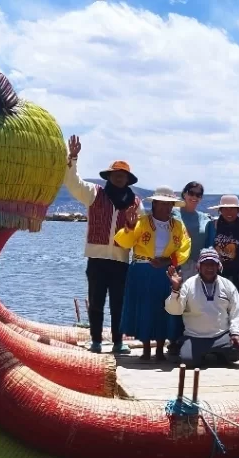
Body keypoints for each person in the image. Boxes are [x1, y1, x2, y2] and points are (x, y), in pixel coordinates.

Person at [62, 134, 142, 354]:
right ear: (109, 176)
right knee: (96, 303)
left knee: (119, 304)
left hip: (120, 261)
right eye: (116, 174)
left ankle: (118, 342)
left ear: (128, 179)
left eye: (123, 175)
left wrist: (134, 227)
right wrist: (73, 158)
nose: (119, 178)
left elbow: (138, 234)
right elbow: (71, 182)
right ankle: (96, 341)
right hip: (97, 259)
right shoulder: (94, 193)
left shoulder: (136, 203)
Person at [114, 186, 192, 361]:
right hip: (142, 269)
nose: (165, 208)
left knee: (163, 308)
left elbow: (185, 248)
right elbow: (123, 242)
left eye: (169, 204)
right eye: (162, 204)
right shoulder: (141, 222)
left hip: (166, 271)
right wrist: (129, 226)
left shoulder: (178, 226)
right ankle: (146, 348)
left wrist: (167, 261)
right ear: (154, 204)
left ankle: (159, 350)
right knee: (145, 308)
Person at [165, 248, 239, 368]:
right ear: (199, 266)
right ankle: (206, 354)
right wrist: (176, 288)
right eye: (206, 264)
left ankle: (212, 354)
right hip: (195, 337)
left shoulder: (227, 285)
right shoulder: (188, 284)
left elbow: (237, 312)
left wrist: (236, 333)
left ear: (218, 266)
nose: (210, 267)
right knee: (188, 361)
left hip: (221, 336)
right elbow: (174, 310)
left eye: (213, 264)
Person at [169, 181, 213, 356]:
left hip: (198, 267)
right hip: (178, 265)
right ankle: (173, 340)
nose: (194, 197)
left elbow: (209, 245)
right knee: (176, 303)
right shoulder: (174, 213)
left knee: (195, 306)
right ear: (184, 194)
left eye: (198, 194)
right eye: (191, 193)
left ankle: (192, 340)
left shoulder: (205, 219)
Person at [207, 194, 239, 331]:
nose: (229, 212)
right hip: (215, 275)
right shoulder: (212, 226)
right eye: (225, 209)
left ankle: (237, 339)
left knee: (238, 308)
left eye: (233, 209)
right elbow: (206, 249)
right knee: (215, 308)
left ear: (238, 211)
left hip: (238, 275)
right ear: (220, 210)